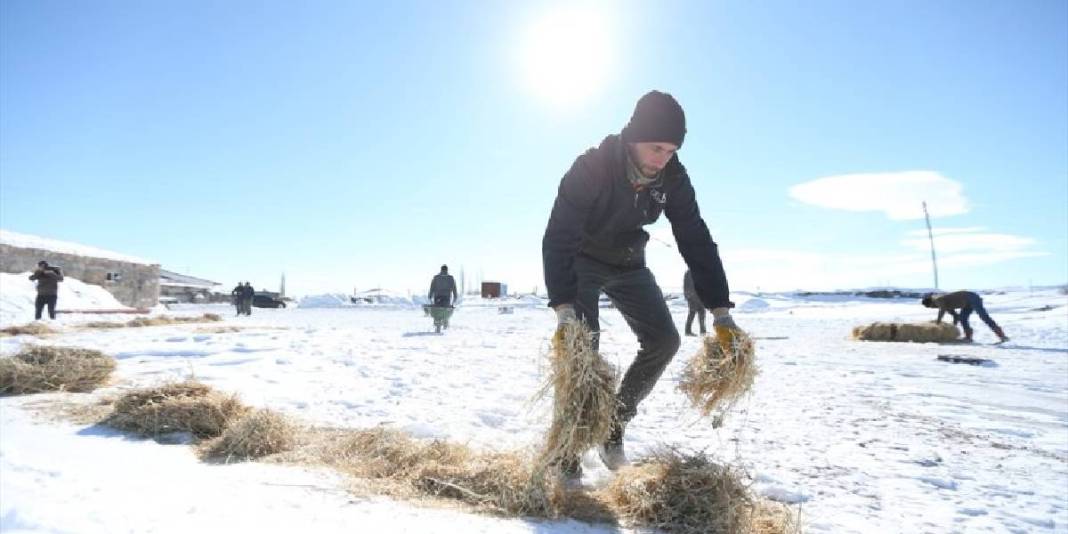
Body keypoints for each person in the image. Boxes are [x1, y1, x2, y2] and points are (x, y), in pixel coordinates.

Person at [542, 90, 741, 476]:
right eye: (655, 148)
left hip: (629, 261)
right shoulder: (592, 166)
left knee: (665, 340)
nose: (661, 159)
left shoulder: (673, 176)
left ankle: (612, 428)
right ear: (633, 137)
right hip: (581, 259)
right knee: (582, 352)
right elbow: (558, 235)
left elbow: (695, 237)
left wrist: (720, 312)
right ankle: (565, 450)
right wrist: (564, 308)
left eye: (670, 150)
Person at [922, 291, 1008, 343]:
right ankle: (968, 337)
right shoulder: (944, 304)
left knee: (984, 317)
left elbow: (942, 310)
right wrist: (952, 328)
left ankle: (1002, 336)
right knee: (963, 319)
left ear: (930, 302)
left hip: (971, 297)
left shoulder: (938, 299)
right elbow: (956, 317)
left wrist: (938, 322)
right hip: (966, 303)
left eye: (930, 306)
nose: (933, 307)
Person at [683, 270, 706, 336]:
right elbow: (686, 285)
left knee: (702, 312)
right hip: (692, 297)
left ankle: (703, 330)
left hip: (699, 297)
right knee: (692, 313)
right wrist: (688, 296)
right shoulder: (689, 272)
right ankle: (687, 331)